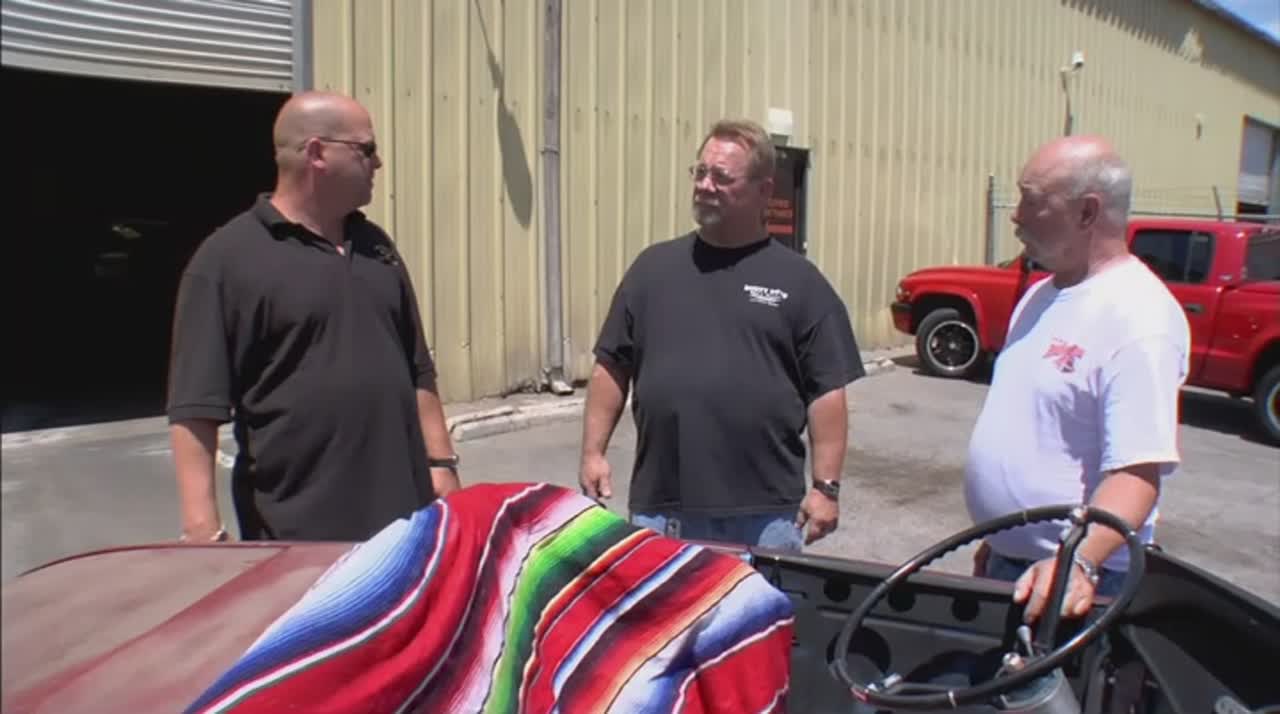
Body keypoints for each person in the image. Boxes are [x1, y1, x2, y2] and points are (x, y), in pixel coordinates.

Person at [166, 91, 461, 543]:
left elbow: (417, 366)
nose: (378, 163)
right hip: (298, 531)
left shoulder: (376, 247)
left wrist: (440, 464)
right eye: (366, 149)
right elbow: (195, 407)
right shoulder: (227, 260)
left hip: (406, 518)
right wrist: (202, 528)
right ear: (317, 153)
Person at [578, 118, 865, 552]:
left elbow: (826, 391)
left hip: (765, 516)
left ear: (764, 191)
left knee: (760, 602)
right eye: (700, 172)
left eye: (721, 177)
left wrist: (826, 487)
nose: (704, 185)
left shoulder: (800, 283)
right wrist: (593, 453)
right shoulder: (653, 270)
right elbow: (612, 366)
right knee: (665, 602)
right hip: (663, 508)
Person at [964, 135, 1190, 622]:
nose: (1016, 216)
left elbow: (1136, 475)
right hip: (1020, 566)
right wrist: (999, 539)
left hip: (1077, 582)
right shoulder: (1041, 295)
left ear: (1087, 212)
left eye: (1032, 200)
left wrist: (1079, 562)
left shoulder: (1139, 317)